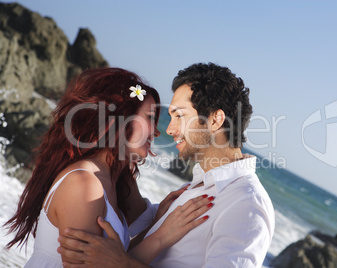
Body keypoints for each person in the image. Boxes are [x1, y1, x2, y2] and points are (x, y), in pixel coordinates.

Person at [58, 63, 275, 267]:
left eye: (179, 115)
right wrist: (154, 218)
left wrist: (123, 264)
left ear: (216, 120)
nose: (169, 130)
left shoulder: (247, 204)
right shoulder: (196, 187)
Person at [4, 67, 214, 267]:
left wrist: (157, 223)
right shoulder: (84, 184)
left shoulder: (115, 177)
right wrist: (160, 237)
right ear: (121, 119)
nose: (157, 132)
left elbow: (112, 258)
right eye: (150, 118)